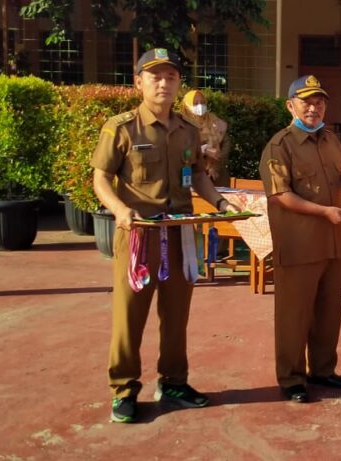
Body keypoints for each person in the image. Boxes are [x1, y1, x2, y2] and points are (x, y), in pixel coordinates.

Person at [91, 48, 240, 423]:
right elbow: (101, 178)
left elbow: (199, 175)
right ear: (138, 82)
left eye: (171, 77)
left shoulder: (188, 130)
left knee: (176, 316)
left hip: (178, 234)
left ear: (178, 84)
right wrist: (119, 209)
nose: (163, 83)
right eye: (155, 76)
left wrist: (221, 203)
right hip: (138, 234)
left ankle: (173, 382)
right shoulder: (121, 128)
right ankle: (124, 389)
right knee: (130, 316)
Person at [259, 75, 341, 403]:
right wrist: (324, 212)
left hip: (333, 242)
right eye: (306, 102)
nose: (314, 108)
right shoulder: (280, 146)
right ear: (290, 106)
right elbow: (280, 195)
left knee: (330, 312)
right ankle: (292, 378)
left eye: (319, 102)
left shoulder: (331, 140)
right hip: (299, 245)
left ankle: (323, 370)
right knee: (294, 315)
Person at [180, 90, 231, 186]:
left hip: (217, 177)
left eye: (202, 102)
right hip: (191, 175)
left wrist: (216, 165)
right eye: (195, 103)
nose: (200, 106)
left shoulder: (215, 122)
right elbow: (181, 151)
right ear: (186, 106)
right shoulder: (182, 125)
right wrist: (204, 150)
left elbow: (226, 144)